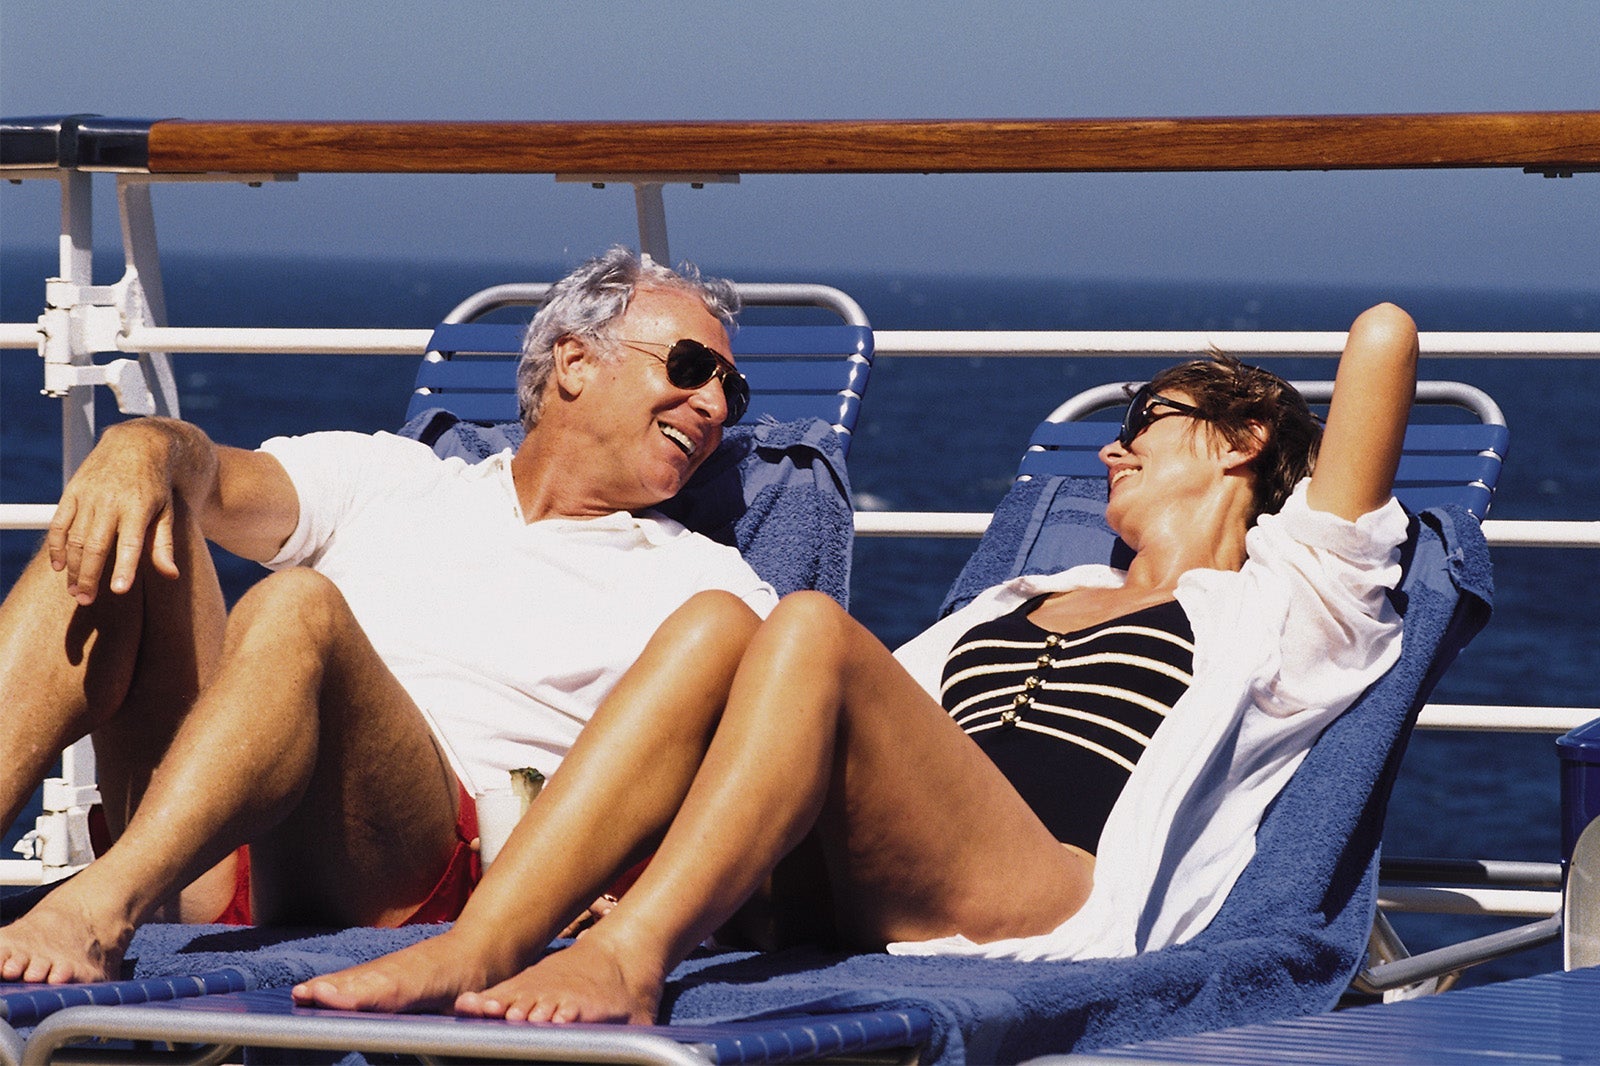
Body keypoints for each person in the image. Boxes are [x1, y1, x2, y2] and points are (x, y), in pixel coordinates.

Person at [293, 302, 1418, 1024]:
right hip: (865, 874)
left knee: (811, 633)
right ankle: (486, 941)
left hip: (1042, 895)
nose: (1117, 442)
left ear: (1241, 444)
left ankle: (634, 956)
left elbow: (1382, 338)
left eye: (1151, 416)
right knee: (715, 624)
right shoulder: (1015, 597)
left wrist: (1249, 395)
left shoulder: (1289, 603)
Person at [0, 247, 778, 984]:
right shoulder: (395, 479)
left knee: (298, 607)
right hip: (201, 846)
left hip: (409, 873)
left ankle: (99, 907)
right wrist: (143, 445)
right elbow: (214, 485)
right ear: (574, 363)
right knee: (128, 520)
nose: (714, 404)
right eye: (689, 368)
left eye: (730, 392)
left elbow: (761, 777)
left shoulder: (705, 586)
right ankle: (119, 879)